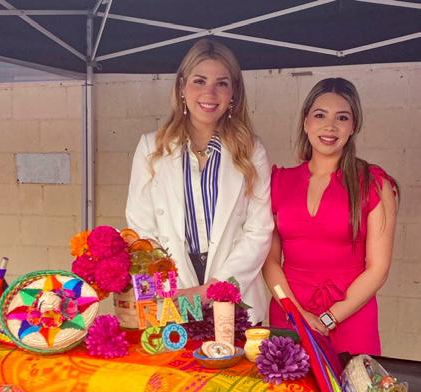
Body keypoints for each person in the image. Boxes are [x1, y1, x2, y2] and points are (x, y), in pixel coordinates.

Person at [126, 39, 274, 325]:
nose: (210, 92)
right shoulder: (150, 147)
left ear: (234, 92)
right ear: (182, 87)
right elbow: (141, 229)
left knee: (231, 355)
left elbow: (259, 231)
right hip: (173, 290)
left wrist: (211, 291)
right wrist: (173, 292)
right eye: (199, 81)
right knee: (177, 355)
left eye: (222, 83)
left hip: (233, 290)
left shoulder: (251, 150)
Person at [263, 77, 398, 355]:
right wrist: (297, 315)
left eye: (342, 117)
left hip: (351, 317)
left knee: (350, 384)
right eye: (320, 115)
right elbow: (270, 261)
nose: (330, 126)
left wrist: (328, 319)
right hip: (289, 314)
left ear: (353, 126)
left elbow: (378, 269)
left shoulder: (373, 183)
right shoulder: (278, 182)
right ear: (305, 122)